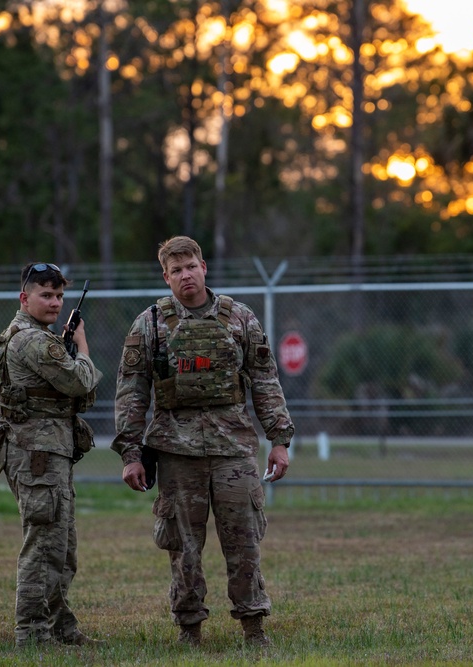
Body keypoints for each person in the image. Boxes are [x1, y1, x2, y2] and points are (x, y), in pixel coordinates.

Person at [111, 236, 293, 648]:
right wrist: (131, 453)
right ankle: (189, 630)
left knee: (244, 542)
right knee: (183, 548)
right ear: (166, 276)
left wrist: (279, 439)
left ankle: (253, 628)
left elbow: (265, 382)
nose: (185, 275)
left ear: (204, 266)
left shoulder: (240, 318)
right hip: (177, 452)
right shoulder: (151, 323)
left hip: (234, 450)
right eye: (176, 270)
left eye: (190, 266)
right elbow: (132, 391)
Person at [0, 262, 103, 648]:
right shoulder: (32, 340)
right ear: (25, 298)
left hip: (47, 452)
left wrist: (65, 345)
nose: (54, 303)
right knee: (43, 547)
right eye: (46, 295)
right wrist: (81, 346)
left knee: (61, 548)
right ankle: (32, 634)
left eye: (59, 296)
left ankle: (60, 628)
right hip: (37, 455)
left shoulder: (35, 336)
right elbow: (79, 381)